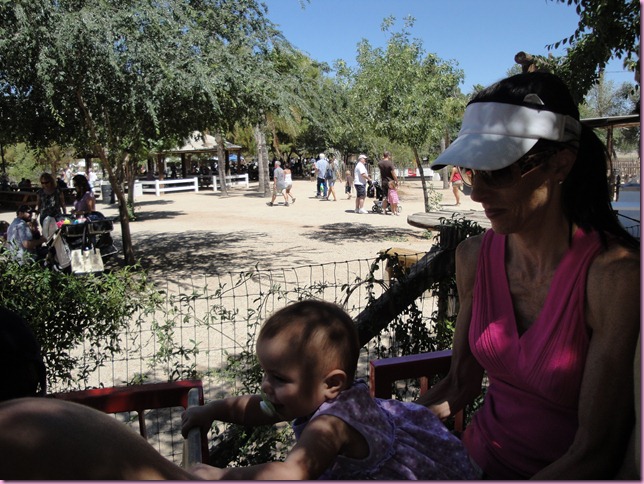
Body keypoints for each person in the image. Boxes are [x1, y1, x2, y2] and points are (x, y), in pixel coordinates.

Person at [419, 72, 640, 479]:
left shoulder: (614, 278)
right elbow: (459, 385)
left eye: (499, 171)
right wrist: (380, 426)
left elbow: (595, 451)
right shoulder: (473, 257)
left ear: (560, 163)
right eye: (471, 172)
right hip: (472, 461)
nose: (477, 194)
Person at [181, 300, 477, 480]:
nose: (266, 385)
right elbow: (257, 408)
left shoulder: (330, 424)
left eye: (279, 378)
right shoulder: (321, 396)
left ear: (332, 383)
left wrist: (222, 476)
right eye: (265, 373)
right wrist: (212, 411)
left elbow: (292, 473)